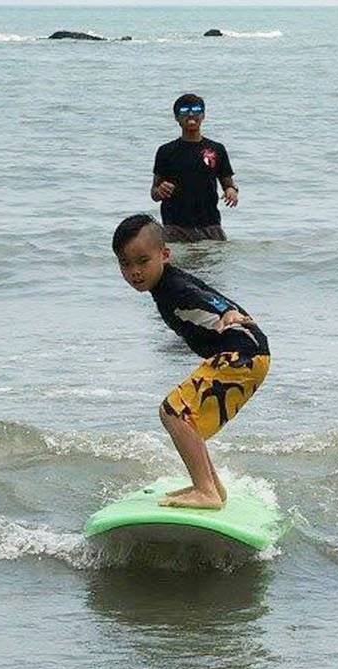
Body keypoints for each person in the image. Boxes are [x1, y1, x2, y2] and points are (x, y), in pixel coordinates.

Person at [112, 214, 270, 509]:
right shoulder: (167, 284)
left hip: (242, 355)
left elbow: (205, 298)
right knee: (186, 416)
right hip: (248, 354)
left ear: (165, 255)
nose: (134, 271)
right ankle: (212, 487)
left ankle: (205, 490)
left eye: (142, 261)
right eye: (125, 264)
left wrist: (228, 314)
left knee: (173, 412)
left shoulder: (173, 287)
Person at [151, 93, 238, 243]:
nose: (191, 114)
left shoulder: (216, 149)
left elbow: (228, 184)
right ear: (177, 118)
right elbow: (154, 193)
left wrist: (231, 192)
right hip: (175, 227)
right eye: (184, 111)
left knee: (213, 266)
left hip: (210, 226)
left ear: (203, 116)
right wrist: (160, 191)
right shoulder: (166, 151)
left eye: (196, 110)